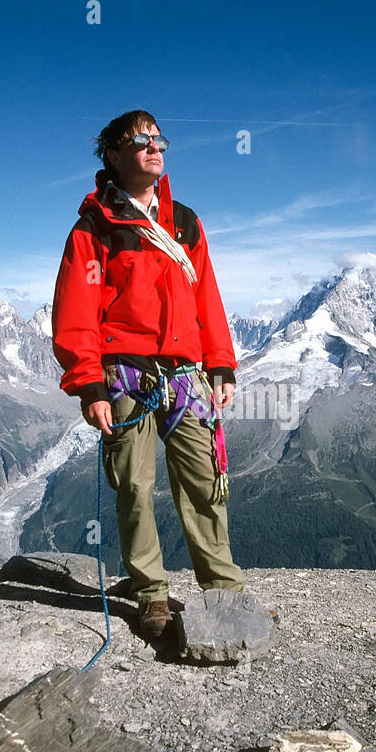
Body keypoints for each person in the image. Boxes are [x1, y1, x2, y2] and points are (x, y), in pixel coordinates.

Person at [51, 110, 247, 638]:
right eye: (139, 140)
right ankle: (151, 594)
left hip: (185, 371)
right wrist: (88, 384)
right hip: (123, 375)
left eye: (159, 138)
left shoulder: (183, 221)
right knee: (134, 485)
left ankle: (224, 591)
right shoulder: (95, 227)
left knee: (204, 483)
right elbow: (76, 312)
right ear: (113, 155)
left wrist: (221, 363)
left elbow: (206, 294)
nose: (153, 146)